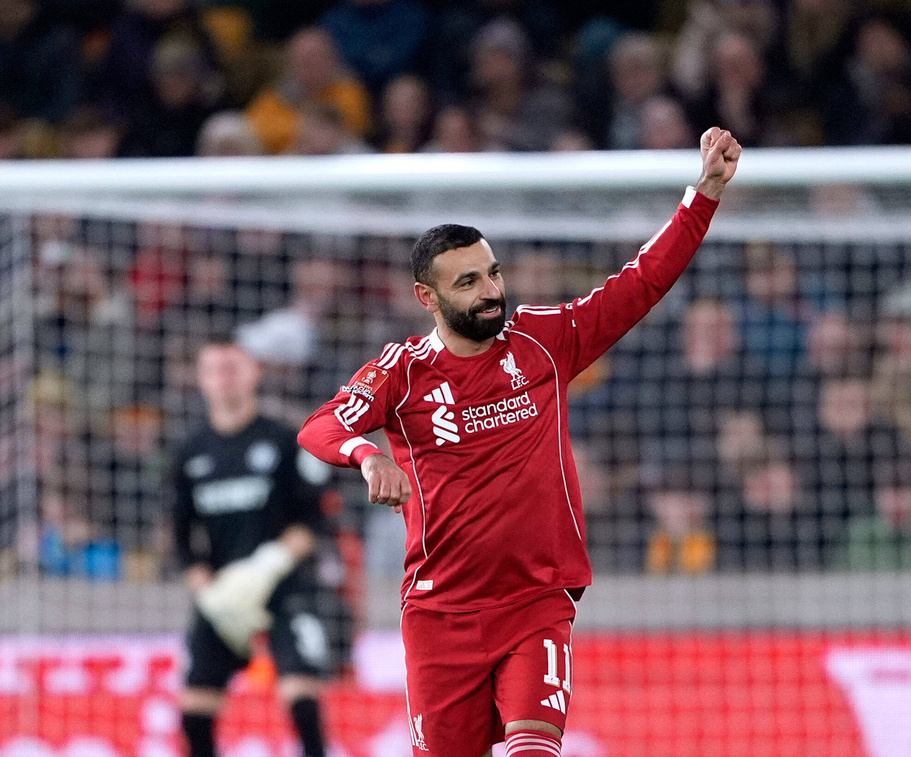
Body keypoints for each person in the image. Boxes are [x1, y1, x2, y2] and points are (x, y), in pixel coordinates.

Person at [298, 126, 741, 756]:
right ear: (427, 298)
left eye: (492, 274)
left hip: (536, 601)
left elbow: (639, 284)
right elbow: (320, 426)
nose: (490, 292)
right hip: (440, 613)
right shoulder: (401, 371)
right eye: (468, 283)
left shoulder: (541, 341)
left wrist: (704, 195)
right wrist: (367, 456)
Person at [169, 338, 351, 757]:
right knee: (194, 711)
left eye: (233, 367)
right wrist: (209, 593)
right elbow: (181, 539)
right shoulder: (188, 451)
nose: (224, 378)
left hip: (285, 583)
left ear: (255, 373)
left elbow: (314, 521)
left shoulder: (286, 439)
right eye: (214, 369)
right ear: (201, 380)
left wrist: (268, 564)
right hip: (224, 592)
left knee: (301, 696)